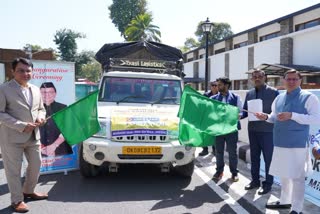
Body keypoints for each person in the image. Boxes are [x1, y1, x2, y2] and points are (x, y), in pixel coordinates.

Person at [255, 70, 320, 214]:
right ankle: (285, 202)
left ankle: (296, 209)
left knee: (297, 177)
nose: (291, 82)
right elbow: (274, 117)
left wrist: (293, 115)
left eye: (294, 79)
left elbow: (316, 118)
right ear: (283, 80)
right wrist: (265, 117)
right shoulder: (279, 98)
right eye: (288, 79)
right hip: (279, 142)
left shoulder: (309, 97)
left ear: (300, 80)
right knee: (284, 175)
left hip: (297, 144)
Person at [0, 58, 48, 213]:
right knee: (13, 170)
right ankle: (17, 200)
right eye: (21, 70)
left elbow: (41, 108)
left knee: (36, 165)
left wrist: (40, 117)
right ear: (13, 71)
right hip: (12, 138)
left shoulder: (35, 89)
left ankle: (28, 190)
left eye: (28, 70)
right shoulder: (4, 89)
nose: (25, 73)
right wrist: (21, 126)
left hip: (34, 136)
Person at [242, 69, 279, 195]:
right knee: (254, 158)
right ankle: (255, 181)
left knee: (269, 159)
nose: (257, 78)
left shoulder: (274, 92)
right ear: (252, 79)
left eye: (260, 76)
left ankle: (268, 184)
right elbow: (245, 111)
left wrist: (267, 116)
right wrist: (238, 116)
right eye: (255, 77)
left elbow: (278, 112)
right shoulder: (249, 93)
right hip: (252, 130)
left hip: (268, 131)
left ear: (265, 77)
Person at [211, 77, 242, 182]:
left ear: (226, 85)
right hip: (218, 130)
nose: (217, 87)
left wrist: (238, 115)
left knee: (232, 152)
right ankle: (219, 171)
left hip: (231, 130)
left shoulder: (236, 97)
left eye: (220, 85)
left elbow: (241, 112)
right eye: (217, 85)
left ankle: (234, 173)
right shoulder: (213, 99)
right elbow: (211, 114)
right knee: (218, 152)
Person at [40, 82, 73, 157]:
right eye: (44, 92)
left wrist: (54, 146)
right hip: (39, 150)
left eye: (50, 92)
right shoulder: (34, 108)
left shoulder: (63, 108)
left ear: (55, 93)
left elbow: (68, 129)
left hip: (61, 149)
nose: (47, 95)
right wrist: (41, 147)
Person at [199, 81, 219, 156]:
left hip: (215, 119)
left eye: (216, 85)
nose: (214, 87)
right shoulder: (206, 95)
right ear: (210, 87)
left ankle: (214, 150)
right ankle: (205, 150)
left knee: (214, 134)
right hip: (207, 117)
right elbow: (202, 104)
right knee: (205, 134)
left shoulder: (219, 96)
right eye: (212, 85)